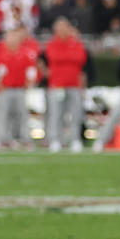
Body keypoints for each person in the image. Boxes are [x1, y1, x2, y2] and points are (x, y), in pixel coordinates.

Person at [41, 18, 88, 153]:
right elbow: (54, 56)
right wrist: (68, 56)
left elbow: (80, 58)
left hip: (74, 85)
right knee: (56, 114)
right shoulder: (52, 44)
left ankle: (75, 140)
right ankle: (55, 140)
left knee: (75, 114)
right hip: (57, 85)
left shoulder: (76, 43)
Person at [0, 26, 39, 150]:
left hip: (19, 89)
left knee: (21, 115)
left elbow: (31, 71)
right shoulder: (0, 53)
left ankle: (25, 139)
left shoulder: (25, 53)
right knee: (1, 115)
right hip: (5, 89)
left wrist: (29, 83)